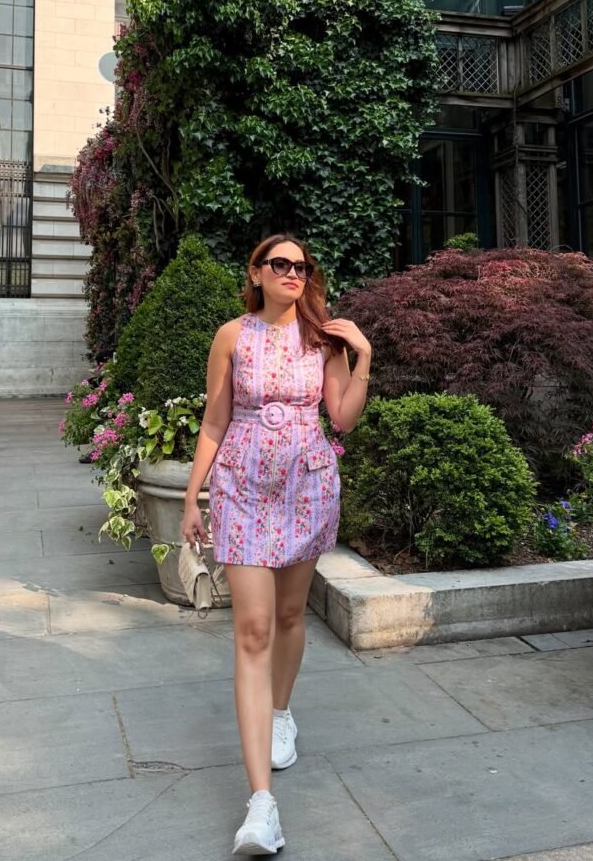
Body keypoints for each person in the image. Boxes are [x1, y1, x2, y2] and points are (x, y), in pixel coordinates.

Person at [180, 233, 372, 856]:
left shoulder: (323, 338)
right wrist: (192, 495)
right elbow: (215, 419)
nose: (292, 273)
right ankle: (261, 804)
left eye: (302, 266)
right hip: (241, 485)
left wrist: (363, 357)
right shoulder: (231, 336)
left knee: (290, 615)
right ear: (257, 273)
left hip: (307, 485)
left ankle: (281, 713)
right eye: (280, 264)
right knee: (253, 630)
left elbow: (342, 418)